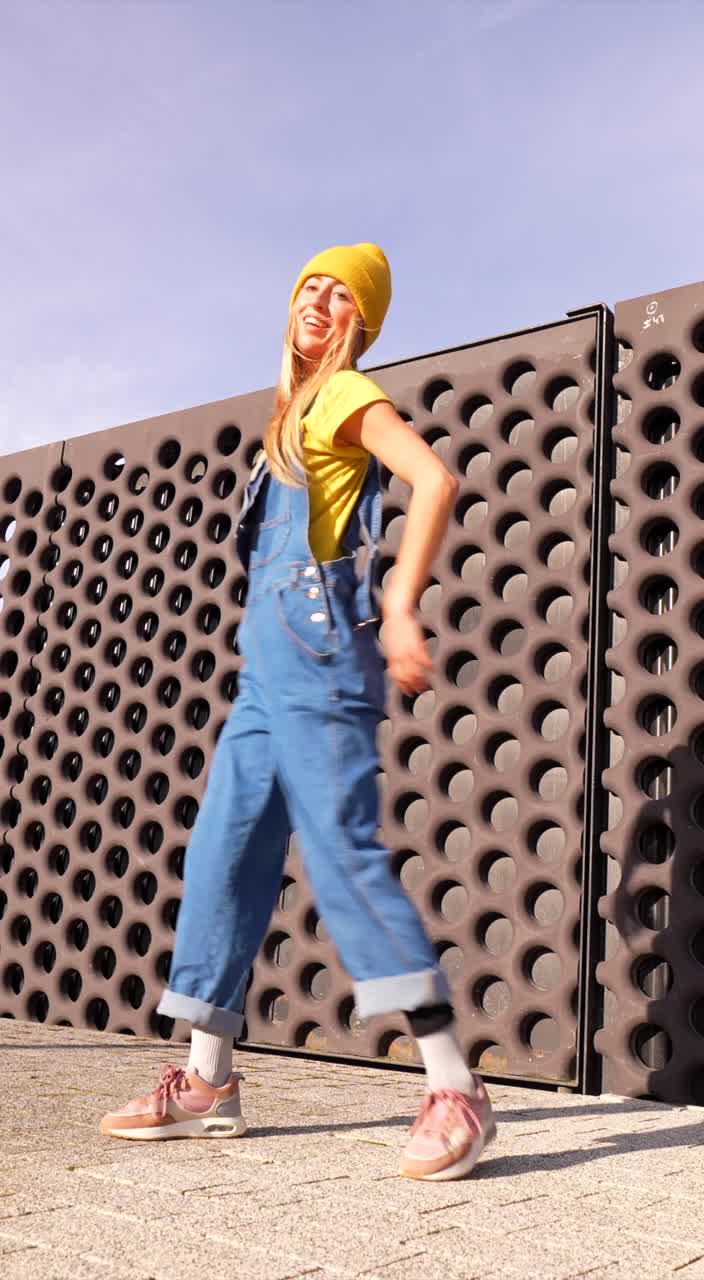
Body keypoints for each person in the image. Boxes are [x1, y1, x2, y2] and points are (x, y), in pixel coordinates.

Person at [100, 243, 496, 1181]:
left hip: (318, 649)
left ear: (363, 320)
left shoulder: (345, 394)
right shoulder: (289, 416)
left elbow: (434, 479)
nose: (319, 302)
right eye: (310, 288)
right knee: (225, 852)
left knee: (340, 851)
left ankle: (456, 1088)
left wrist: (400, 604)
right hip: (266, 670)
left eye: (341, 295)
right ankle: (209, 1082)